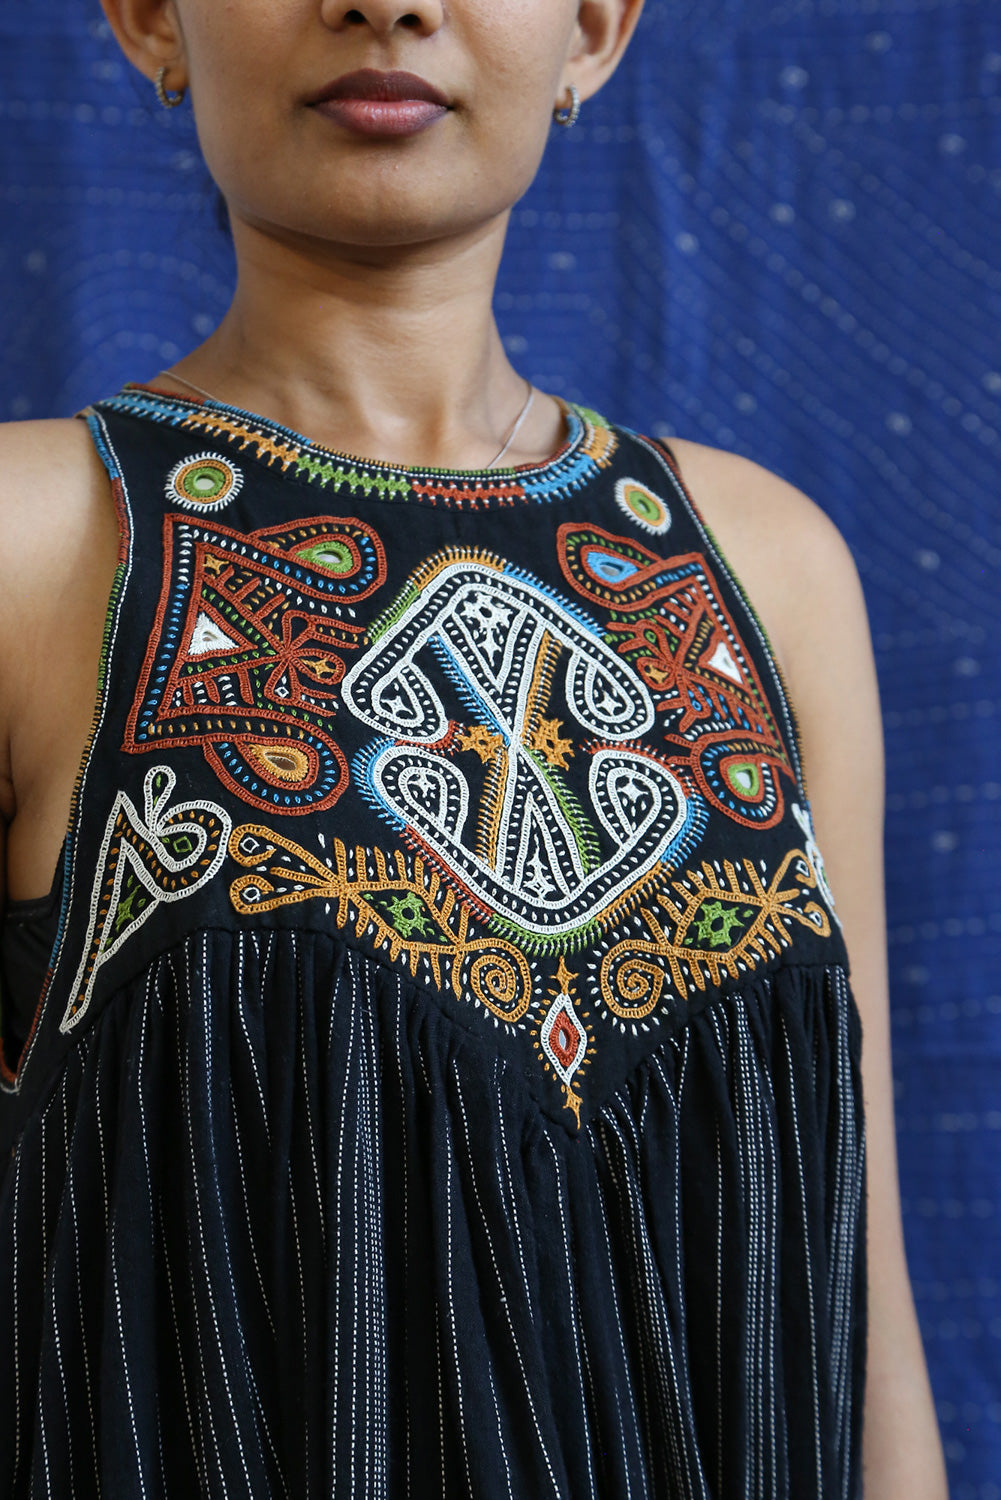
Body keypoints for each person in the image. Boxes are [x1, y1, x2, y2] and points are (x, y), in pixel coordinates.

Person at [0, 0, 948, 1495]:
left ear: (595, 28)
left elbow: (859, 1289)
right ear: (146, 19)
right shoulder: (40, 546)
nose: (386, 4)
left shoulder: (765, 573)